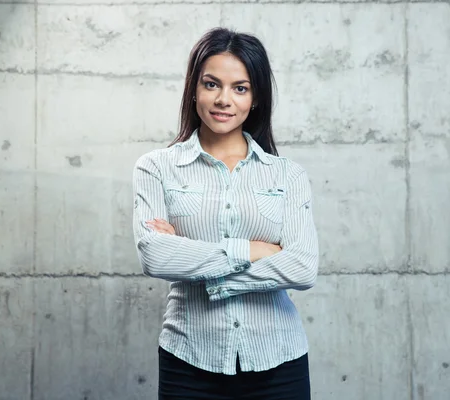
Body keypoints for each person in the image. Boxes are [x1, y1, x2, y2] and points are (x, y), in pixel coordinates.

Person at [132, 27, 319, 400]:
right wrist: (254, 250)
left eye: (240, 88)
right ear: (194, 90)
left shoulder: (287, 175)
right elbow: (155, 255)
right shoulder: (156, 168)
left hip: (278, 359)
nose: (223, 100)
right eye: (211, 84)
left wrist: (204, 268)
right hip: (189, 359)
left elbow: (302, 267)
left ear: (256, 99)